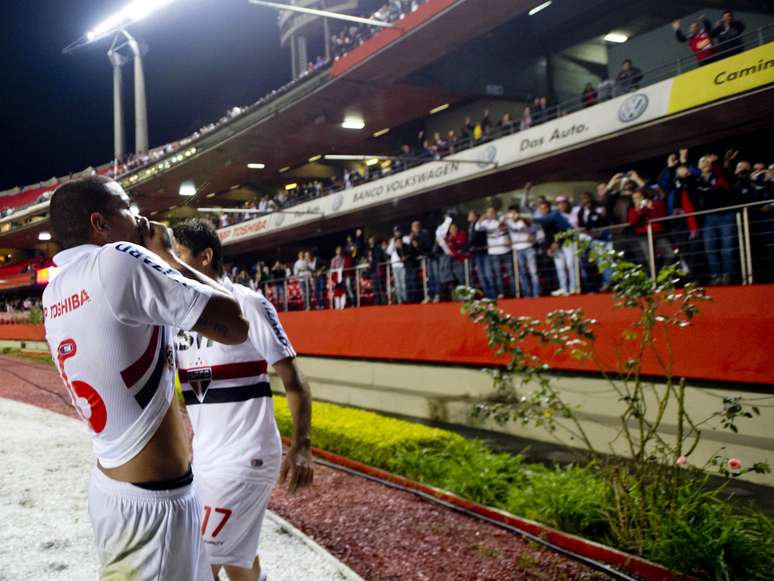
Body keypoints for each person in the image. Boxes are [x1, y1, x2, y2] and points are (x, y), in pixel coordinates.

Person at [43, 176, 249, 580]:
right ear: (100, 223)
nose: (140, 216)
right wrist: (170, 258)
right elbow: (236, 325)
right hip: (153, 509)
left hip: (120, 491)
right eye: (127, 206)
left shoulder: (56, 291)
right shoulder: (117, 260)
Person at [172, 220, 313, 581]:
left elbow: (294, 381)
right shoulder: (180, 319)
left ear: (205, 257)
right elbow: (194, 394)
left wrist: (301, 447)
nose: (170, 264)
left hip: (245, 458)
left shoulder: (247, 303)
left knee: (197, 564)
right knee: (239, 563)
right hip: (205, 458)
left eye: (178, 255)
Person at [532, 200, 578, 296]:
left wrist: (557, 242)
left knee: (570, 264)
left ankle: (574, 288)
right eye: (541, 209)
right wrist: (550, 247)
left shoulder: (555, 215)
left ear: (549, 208)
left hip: (567, 241)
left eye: (544, 208)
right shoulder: (544, 220)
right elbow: (548, 235)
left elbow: (564, 229)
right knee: (560, 267)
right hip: (555, 245)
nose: (543, 210)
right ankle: (564, 288)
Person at [475, 207, 514, 299]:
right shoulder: (485, 223)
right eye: (489, 212)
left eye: (492, 212)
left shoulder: (501, 219)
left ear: (495, 213)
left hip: (506, 250)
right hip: (494, 252)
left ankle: (514, 292)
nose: (491, 214)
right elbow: (477, 228)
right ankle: (501, 293)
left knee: (511, 273)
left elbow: (508, 224)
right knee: (497, 274)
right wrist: (481, 218)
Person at [505, 205, 542, 298]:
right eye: (511, 213)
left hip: (528, 247)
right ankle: (527, 294)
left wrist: (532, 235)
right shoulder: (507, 222)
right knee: (522, 273)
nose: (513, 215)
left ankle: (536, 294)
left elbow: (536, 227)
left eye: (515, 212)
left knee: (533, 272)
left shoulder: (525, 220)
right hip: (516, 250)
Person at [466, 210, 492, 298]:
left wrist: (467, 246)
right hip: (476, 253)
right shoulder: (470, 226)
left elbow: (475, 238)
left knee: (487, 274)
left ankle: (492, 294)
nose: (468, 217)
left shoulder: (479, 225)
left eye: (470, 215)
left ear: (475, 217)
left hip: (483, 252)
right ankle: (486, 294)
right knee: (481, 275)